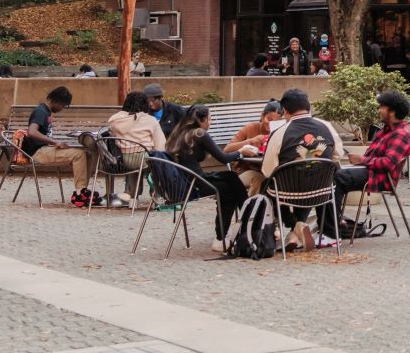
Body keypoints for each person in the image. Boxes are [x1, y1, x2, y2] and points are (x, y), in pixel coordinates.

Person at [165, 104, 251, 252]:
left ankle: (245, 219)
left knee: (231, 177)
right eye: (209, 119)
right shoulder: (199, 134)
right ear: (202, 119)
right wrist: (242, 151)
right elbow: (223, 158)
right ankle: (241, 225)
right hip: (194, 184)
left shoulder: (179, 132)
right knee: (229, 190)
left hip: (183, 182)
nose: (210, 123)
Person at [261, 89, 338, 241]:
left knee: (267, 186)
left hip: (288, 192)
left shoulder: (279, 132)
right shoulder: (327, 127)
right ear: (309, 107)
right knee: (306, 181)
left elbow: (267, 170)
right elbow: (337, 156)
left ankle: (295, 226)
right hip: (323, 190)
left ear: (285, 110)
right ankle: (295, 234)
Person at [331, 91, 410, 226]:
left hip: (381, 177)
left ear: (392, 111)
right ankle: (333, 221)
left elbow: (388, 163)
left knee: (338, 177)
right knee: (330, 172)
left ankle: (331, 226)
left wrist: (361, 160)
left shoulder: (400, 134)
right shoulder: (385, 130)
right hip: (372, 172)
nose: (379, 110)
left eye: (382, 107)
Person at [22, 86, 95, 206]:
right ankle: (79, 194)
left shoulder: (46, 111)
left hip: (45, 148)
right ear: (56, 101)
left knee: (88, 154)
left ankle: (82, 191)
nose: (62, 109)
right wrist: (55, 142)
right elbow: (32, 132)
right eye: (63, 105)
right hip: (37, 152)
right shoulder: (40, 112)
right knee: (79, 154)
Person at [107, 91, 166, 200]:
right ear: (145, 104)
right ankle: (157, 195)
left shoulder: (115, 120)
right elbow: (160, 146)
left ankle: (131, 195)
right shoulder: (150, 120)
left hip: (123, 160)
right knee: (156, 160)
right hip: (144, 159)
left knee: (135, 164)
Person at [224, 100, 282, 194]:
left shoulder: (280, 133)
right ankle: (252, 208)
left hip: (271, 173)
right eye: (269, 119)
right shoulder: (250, 128)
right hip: (245, 170)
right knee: (259, 179)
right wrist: (250, 141)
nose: (271, 124)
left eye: (276, 122)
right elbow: (227, 150)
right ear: (262, 116)